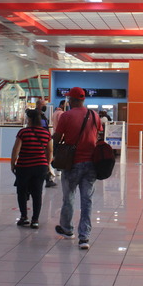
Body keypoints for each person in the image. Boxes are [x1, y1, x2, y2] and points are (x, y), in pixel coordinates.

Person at [53, 87, 102, 250]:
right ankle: (84, 237)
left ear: (72, 100)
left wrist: (53, 153)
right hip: (91, 164)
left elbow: (58, 137)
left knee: (69, 197)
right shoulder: (95, 115)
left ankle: (67, 229)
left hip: (71, 163)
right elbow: (98, 135)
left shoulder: (66, 116)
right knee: (87, 200)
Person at [11, 109, 53, 229]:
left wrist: (12, 164)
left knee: (22, 192)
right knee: (37, 193)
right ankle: (35, 220)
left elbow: (16, 149)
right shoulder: (46, 133)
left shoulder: (23, 132)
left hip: (24, 166)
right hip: (40, 167)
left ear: (29, 119)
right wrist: (47, 164)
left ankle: (24, 217)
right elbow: (49, 151)